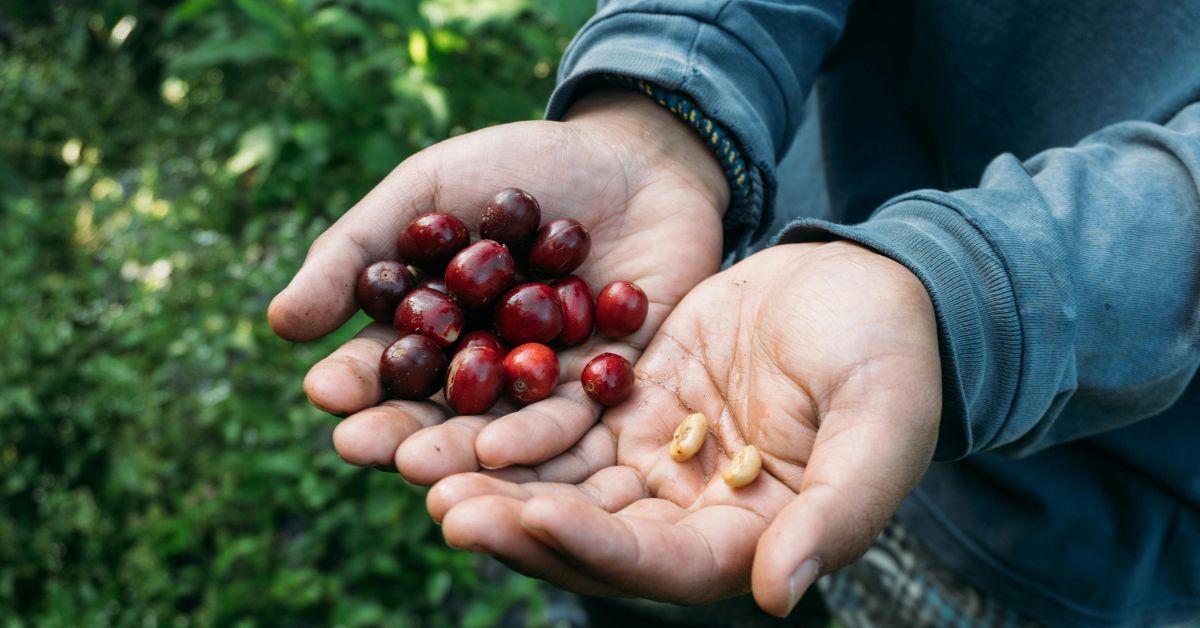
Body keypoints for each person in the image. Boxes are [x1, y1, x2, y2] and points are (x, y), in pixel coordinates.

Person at [268, 1, 1200, 625]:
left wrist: (963, 293)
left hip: (1080, 542)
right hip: (737, 335)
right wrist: (665, 98)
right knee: (612, 566)